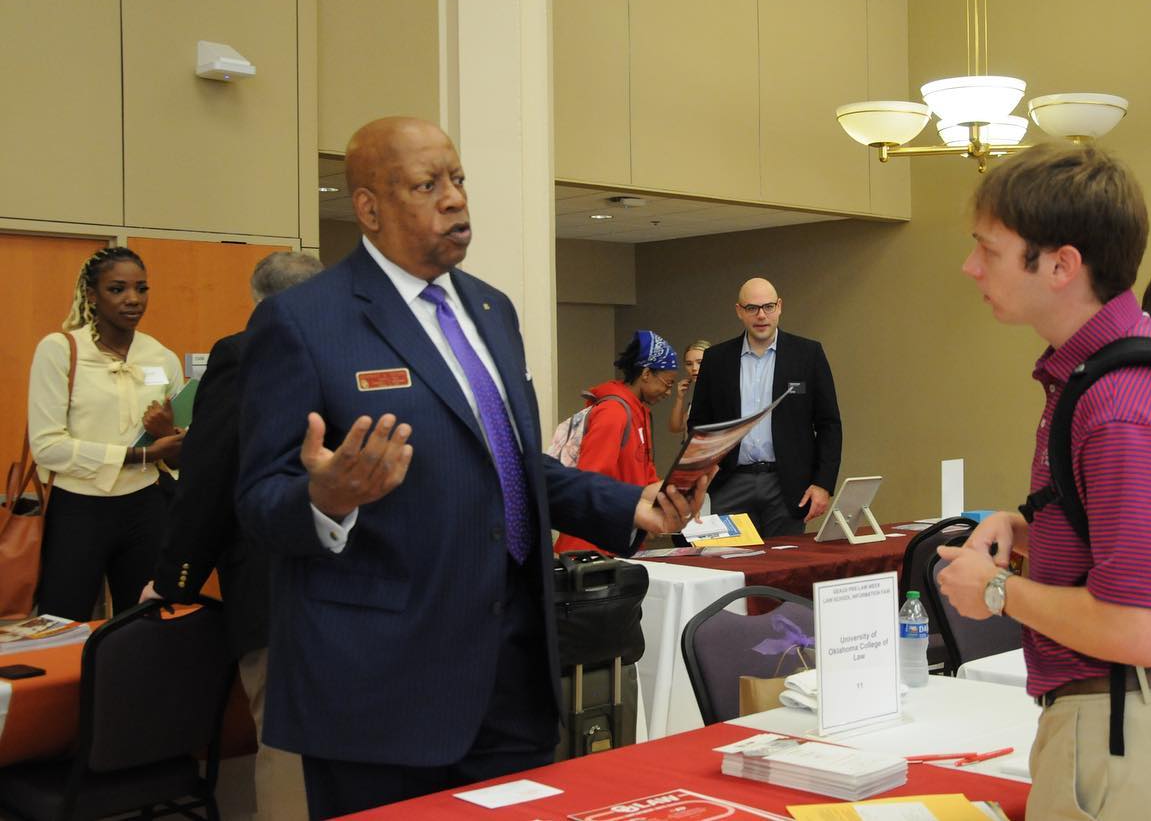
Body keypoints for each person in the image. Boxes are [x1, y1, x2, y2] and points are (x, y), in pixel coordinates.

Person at [234, 116, 705, 820]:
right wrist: (327, 498)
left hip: (512, 670)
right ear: (369, 207)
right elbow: (258, 499)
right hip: (382, 689)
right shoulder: (304, 322)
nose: (454, 198)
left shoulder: (492, 309)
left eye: (456, 179)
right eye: (427, 185)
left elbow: (507, 465)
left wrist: (623, 504)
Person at [935, 143, 1151, 820]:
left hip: (1130, 734)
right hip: (1130, 725)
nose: (971, 266)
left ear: (1060, 265)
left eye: (988, 249)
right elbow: (1118, 536)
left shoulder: (1125, 406)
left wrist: (995, 590)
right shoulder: (1112, 370)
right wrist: (1020, 529)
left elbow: (1137, 628)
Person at [140, 250, 324, 820]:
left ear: (257, 301)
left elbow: (211, 473)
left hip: (275, 583)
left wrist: (174, 580)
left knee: (290, 741)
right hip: (369, 586)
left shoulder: (243, 353)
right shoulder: (364, 351)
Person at [28, 246, 185, 620]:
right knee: (62, 619)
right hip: (77, 507)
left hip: (146, 504)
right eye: (117, 289)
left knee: (146, 620)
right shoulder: (60, 350)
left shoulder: (161, 357)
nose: (133, 299)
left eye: (141, 289)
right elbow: (47, 447)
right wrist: (141, 455)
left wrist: (169, 434)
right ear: (92, 295)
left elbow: (180, 452)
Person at [687, 277, 841, 538]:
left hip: (787, 486)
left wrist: (823, 484)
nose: (761, 315)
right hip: (730, 483)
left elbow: (829, 425)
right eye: (752, 308)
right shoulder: (716, 359)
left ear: (779, 307)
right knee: (730, 560)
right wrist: (700, 476)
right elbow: (699, 424)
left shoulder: (808, 354)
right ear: (739, 311)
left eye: (768, 307)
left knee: (784, 560)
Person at [554, 330, 677, 554]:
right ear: (646, 373)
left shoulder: (640, 412)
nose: (668, 392)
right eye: (667, 383)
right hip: (590, 547)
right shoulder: (613, 412)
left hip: (619, 540)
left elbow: (647, 476)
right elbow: (591, 480)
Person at [667, 338, 711, 434]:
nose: (694, 368)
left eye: (700, 362)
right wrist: (680, 398)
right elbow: (676, 428)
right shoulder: (698, 395)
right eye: (689, 364)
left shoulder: (720, 391)